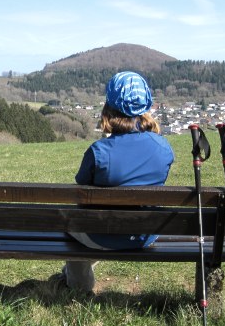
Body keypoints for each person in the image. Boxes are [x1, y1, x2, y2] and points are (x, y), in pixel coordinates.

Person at [63, 71, 175, 292]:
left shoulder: (99, 152)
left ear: (109, 108)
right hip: (145, 235)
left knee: (73, 219)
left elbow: (81, 189)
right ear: (146, 106)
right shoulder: (164, 148)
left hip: (99, 236)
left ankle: (78, 288)